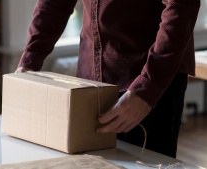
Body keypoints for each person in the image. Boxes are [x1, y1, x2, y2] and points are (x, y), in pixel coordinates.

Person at [15, 0, 200, 158]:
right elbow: (54, 4)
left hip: (148, 83)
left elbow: (182, 7)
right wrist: (28, 63)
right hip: (89, 83)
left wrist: (146, 90)